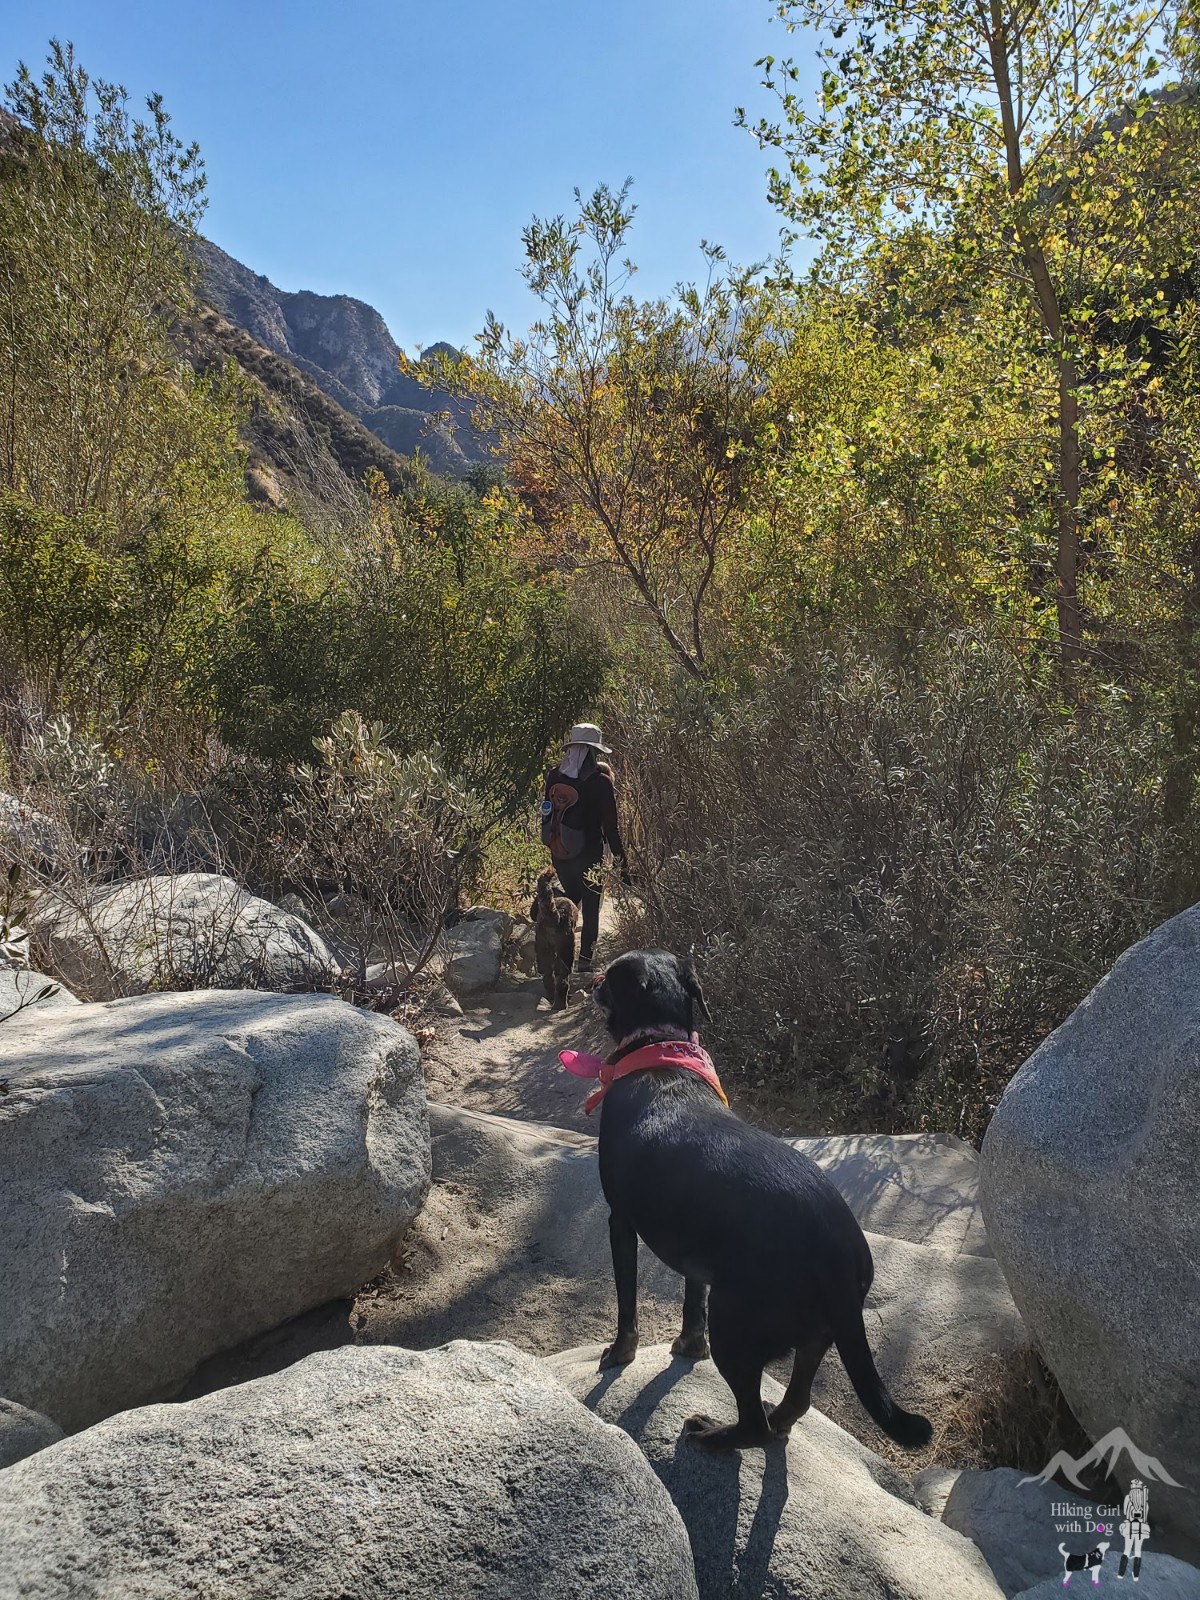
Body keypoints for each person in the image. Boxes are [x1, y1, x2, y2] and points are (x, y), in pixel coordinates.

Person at [540, 722, 630, 969]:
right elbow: (611, 828)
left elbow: (548, 814)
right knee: (590, 911)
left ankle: (556, 953)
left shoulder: (554, 775)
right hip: (590, 854)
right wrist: (624, 865)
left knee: (570, 901)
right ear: (593, 752)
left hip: (561, 853)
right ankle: (584, 963)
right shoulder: (600, 782)